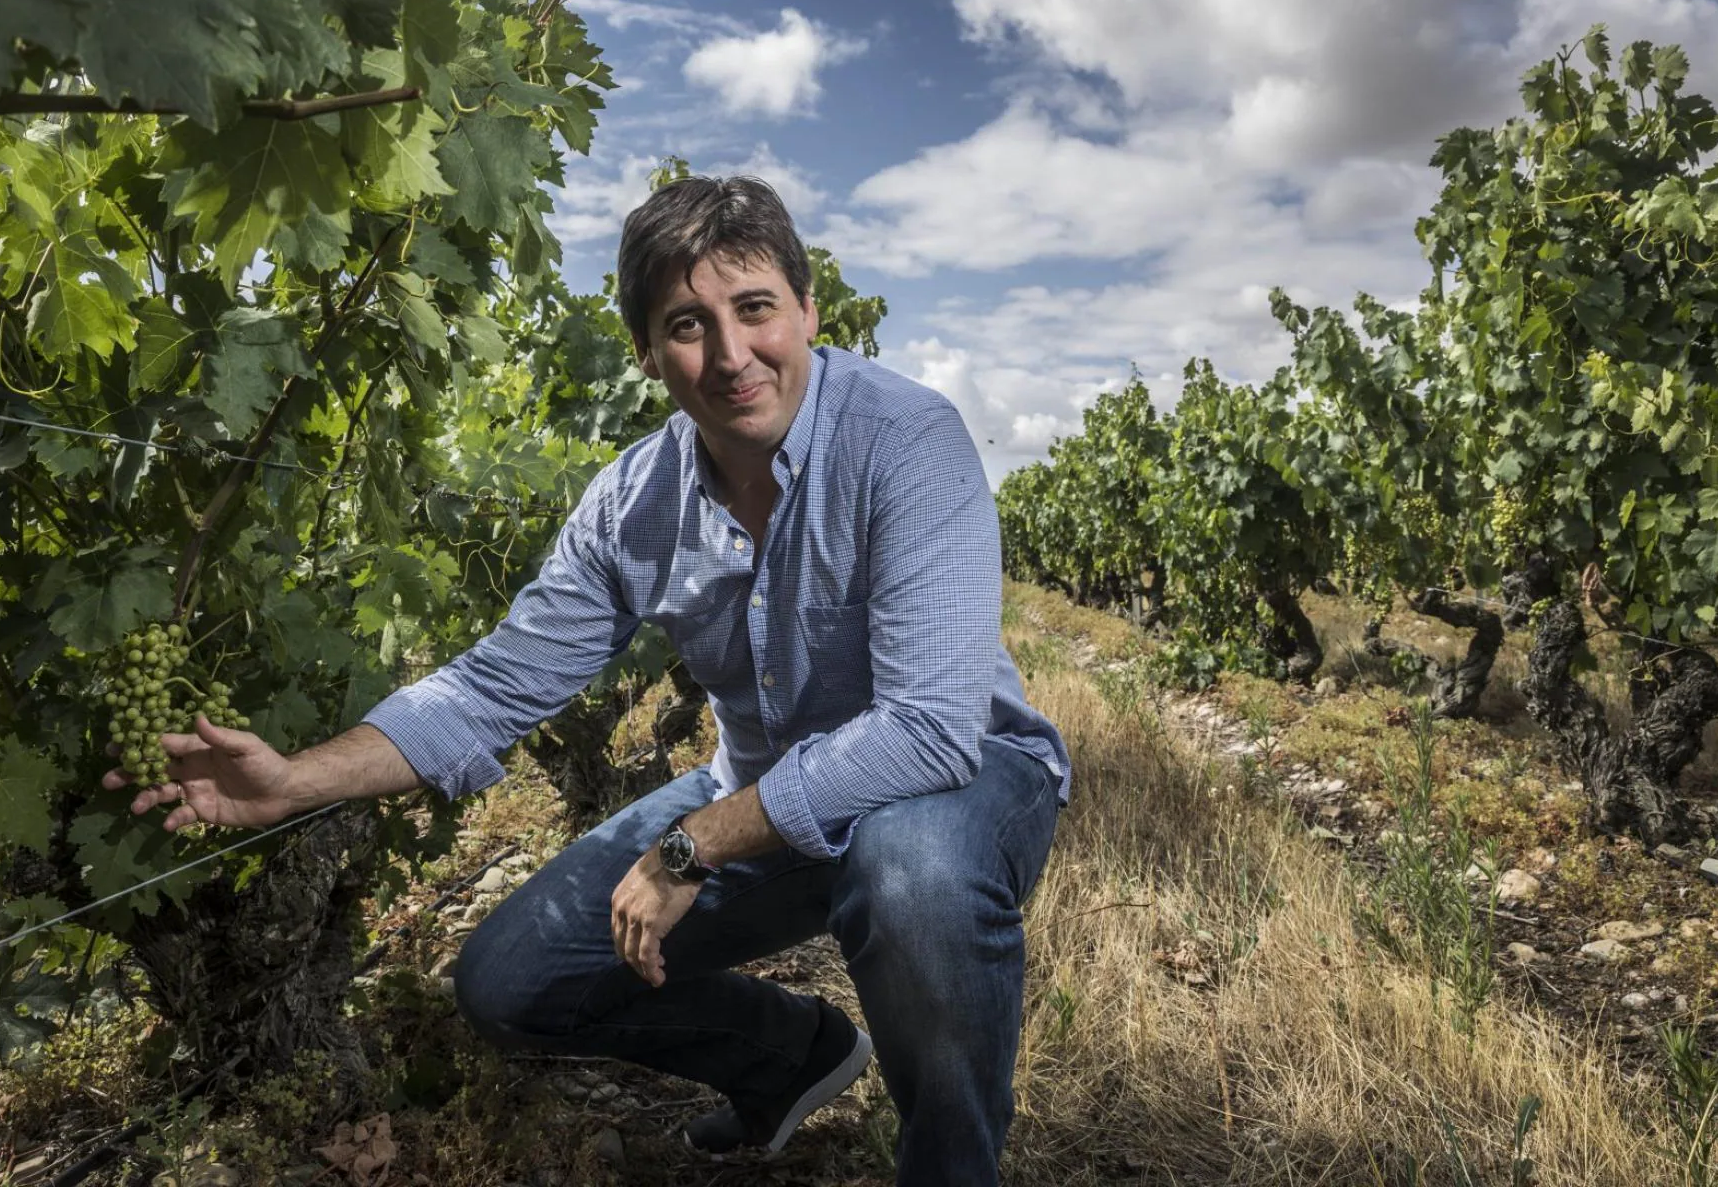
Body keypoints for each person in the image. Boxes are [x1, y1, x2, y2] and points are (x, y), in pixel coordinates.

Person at [106, 176, 1070, 1186]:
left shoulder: (903, 439)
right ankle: (791, 1058)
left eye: (755, 310)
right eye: (688, 325)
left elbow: (926, 729)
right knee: (510, 982)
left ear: (806, 308)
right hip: (761, 787)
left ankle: (951, 1163)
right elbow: (490, 687)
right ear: (649, 353)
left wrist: (691, 848)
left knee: (907, 869)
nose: (732, 355)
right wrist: (297, 780)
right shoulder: (633, 504)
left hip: (958, 784)